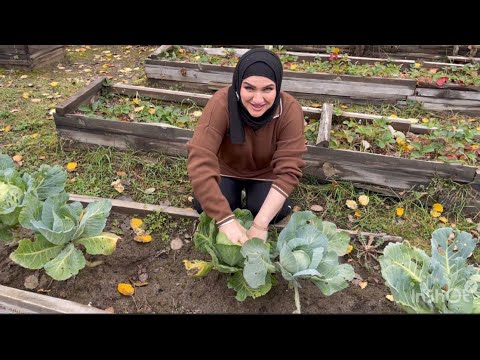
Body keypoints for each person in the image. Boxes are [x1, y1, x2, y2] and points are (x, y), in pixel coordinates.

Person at [187, 48, 306, 246]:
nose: (258, 100)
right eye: (249, 88)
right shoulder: (221, 103)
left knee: (264, 210)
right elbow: (200, 158)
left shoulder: (290, 109)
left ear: (277, 87)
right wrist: (225, 219)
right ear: (238, 84)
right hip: (226, 169)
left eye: (267, 89)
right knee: (210, 207)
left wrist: (260, 225)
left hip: (266, 172)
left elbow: (288, 169)